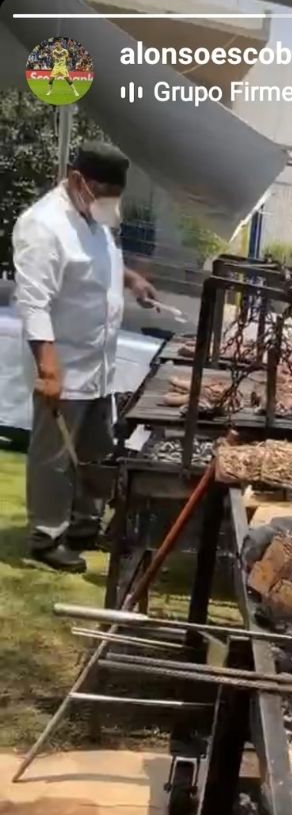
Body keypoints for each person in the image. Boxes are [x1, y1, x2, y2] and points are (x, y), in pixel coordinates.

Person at [13, 141, 157, 571]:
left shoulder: (92, 218)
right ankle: (46, 536)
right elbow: (34, 302)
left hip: (98, 365)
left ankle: (83, 525)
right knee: (55, 456)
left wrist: (130, 280)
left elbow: (98, 261)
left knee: (96, 449)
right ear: (78, 180)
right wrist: (48, 369)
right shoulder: (43, 225)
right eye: (105, 193)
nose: (110, 203)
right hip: (62, 363)